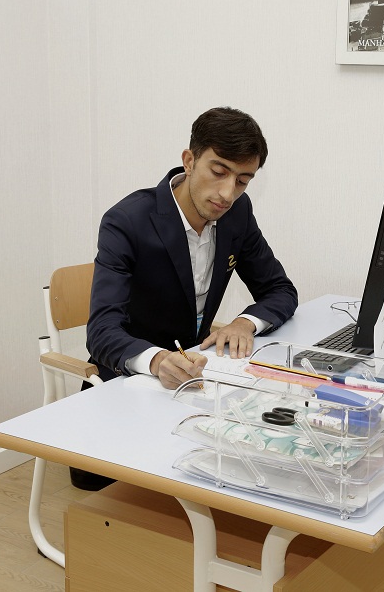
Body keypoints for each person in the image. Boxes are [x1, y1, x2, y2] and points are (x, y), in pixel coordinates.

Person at [72, 107, 298, 489]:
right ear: (189, 161)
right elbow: (102, 332)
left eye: (243, 181)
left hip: (196, 385)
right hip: (126, 386)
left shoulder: (237, 214)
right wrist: (157, 360)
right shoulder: (127, 222)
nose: (228, 193)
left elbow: (280, 290)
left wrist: (244, 322)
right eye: (219, 171)